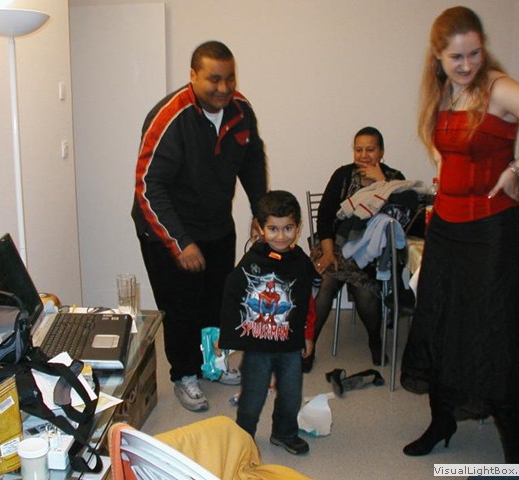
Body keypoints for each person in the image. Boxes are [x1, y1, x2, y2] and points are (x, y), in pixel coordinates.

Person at [400, 6, 519, 463]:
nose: (467, 65)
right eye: (456, 57)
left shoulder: (498, 88)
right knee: (440, 322)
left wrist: (517, 168)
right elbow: (440, 144)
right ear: (438, 57)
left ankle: (515, 440)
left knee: (495, 331)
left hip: (490, 228)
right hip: (445, 227)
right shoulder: (442, 91)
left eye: (474, 53)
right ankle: (442, 419)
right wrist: (442, 163)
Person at [132, 40, 267, 412]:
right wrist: (181, 243)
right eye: (213, 79)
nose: (223, 88)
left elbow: (252, 160)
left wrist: (261, 210)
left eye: (229, 78)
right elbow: (148, 187)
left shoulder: (241, 111)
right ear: (193, 76)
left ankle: (212, 362)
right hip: (166, 228)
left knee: (217, 301)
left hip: (215, 222)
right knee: (181, 308)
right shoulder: (169, 118)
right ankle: (185, 374)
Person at [219, 190, 320, 455]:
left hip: (290, 346)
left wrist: (308, 334)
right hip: (258, 348)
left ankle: (284, 433)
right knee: (252, 396)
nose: (281, 236)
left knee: (291, 395)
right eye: (273, 229)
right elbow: (233, 294)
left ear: (298, 227)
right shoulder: (252, 260)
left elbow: (307, 302)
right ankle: (243, 439)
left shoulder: (300, 262)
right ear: (261, 228)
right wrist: (226, 335)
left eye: (288, 228)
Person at [304, 126, 405, 372]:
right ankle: (308, 347)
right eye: (358, 150)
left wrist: (382, 182)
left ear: (381, 152)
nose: (363, 155)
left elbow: (404, 215)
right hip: (335, 244)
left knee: (364, 291)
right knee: (326, 282)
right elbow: (325, 217)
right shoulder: (343, 175)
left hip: (371, 252)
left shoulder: (394, 178)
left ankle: (375, 341)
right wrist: (328, 252)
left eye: (370, 149)